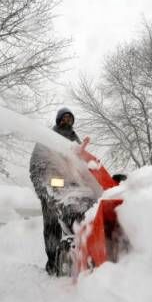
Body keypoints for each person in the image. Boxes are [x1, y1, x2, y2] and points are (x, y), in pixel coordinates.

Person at [29, 108, 95, 275]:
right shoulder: (47, 139)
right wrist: (43, 190)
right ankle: (53, 263)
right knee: (52, 226)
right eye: (64, 118)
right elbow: (35, 166)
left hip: (73, 189)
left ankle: (82, 249)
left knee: (83, 216)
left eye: (70, 118)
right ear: (58, 120)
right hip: (52, 187)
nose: (67, 121)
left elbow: (83, 165)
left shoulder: (75, 140)